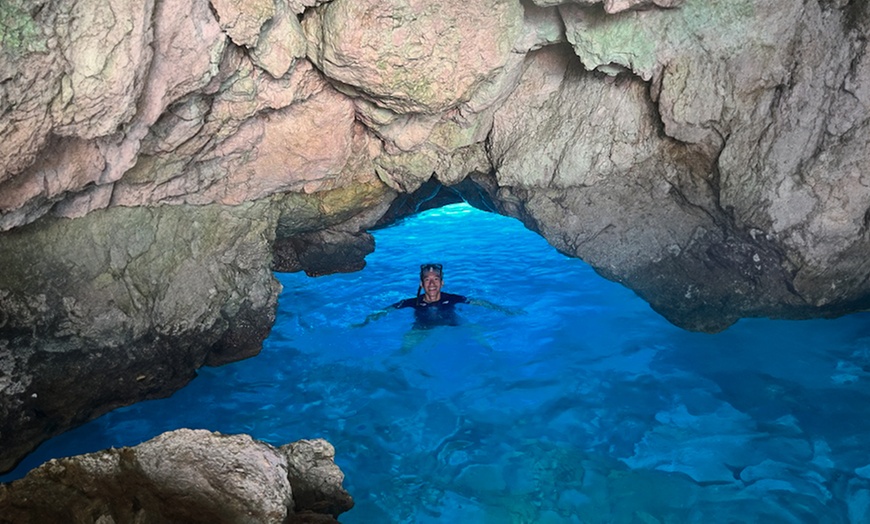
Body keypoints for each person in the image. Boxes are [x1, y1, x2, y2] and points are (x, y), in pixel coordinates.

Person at [355, 263, 516, 330]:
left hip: (452, 324)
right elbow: (385, 310)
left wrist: (504, 310)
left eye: (436, 279)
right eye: (427, 280)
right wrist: (365, 322)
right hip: (422, 327)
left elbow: (479, 302)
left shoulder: (451, 298)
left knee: (478, 333)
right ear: (421, 284)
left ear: (442, 283)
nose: (432, 284)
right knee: (405, 350)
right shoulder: (412, 302)